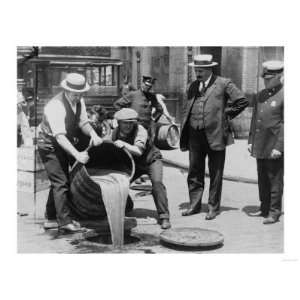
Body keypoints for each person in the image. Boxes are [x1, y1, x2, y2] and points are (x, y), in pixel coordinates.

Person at [180, 54, 249, 220]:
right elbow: (187, 107)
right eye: (196, 70)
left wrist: (225, 115)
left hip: (216, 134)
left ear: (210, 69)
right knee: (194, 171)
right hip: (195, 134)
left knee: (215, 173)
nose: (198, 73)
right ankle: (194, 205)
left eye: (201, 70)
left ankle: (213, 207)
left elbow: (241, 101)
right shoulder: (193, 86)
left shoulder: (224, 83)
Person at [37, 73, 103, 233]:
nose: (77, 97)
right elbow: (60, 137)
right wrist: (77, 155)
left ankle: (51, 218)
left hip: (61, 140)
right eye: (75, 94)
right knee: (61, 181)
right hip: (48, 143)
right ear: (66, 90)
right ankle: (64, 221)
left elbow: (83, 122)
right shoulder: (55, 106)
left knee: (60, 180)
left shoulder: (79, 100)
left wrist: (94, 134)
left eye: (80, 94)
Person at [112, 108, 171, 229]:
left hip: (151, 160)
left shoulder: (140, 130)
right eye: (125, 123)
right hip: (135, 164)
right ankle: (127, 206)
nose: (128, 126)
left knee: (157, 183)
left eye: (131, 123)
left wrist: (124, 144)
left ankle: (164, 216)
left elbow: (138, 151)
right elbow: (108, 144)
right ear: (119, 123)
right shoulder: (115, 133)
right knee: (120, 183)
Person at [248, 61, 284, 224]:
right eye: (265, 78)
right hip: (261, 143)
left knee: (274, 179)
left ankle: (274, 211)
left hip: (274, 144)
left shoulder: (285, 95)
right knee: (262, 177)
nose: (266, 81)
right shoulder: (260, 95)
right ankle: (264, 208)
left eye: (269, 79)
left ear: (279, 76)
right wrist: (251, 141)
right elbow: (255, 119)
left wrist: (279, 147)